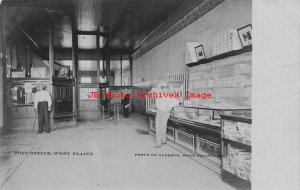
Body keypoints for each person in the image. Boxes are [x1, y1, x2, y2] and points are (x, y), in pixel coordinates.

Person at [154, 82, 179, 148]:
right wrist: (159, 106)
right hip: (159, 112)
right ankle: (158, 143)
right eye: (163, 88)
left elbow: (177, 102)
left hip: (165, 113)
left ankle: (163, 140)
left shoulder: (171, 96)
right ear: (161, 89)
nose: (164, 90)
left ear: (167, 89)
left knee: (162, 127)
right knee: (157, 128)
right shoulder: (159, 95)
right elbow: (157, 104)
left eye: (165, 88)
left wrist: (170, 106)